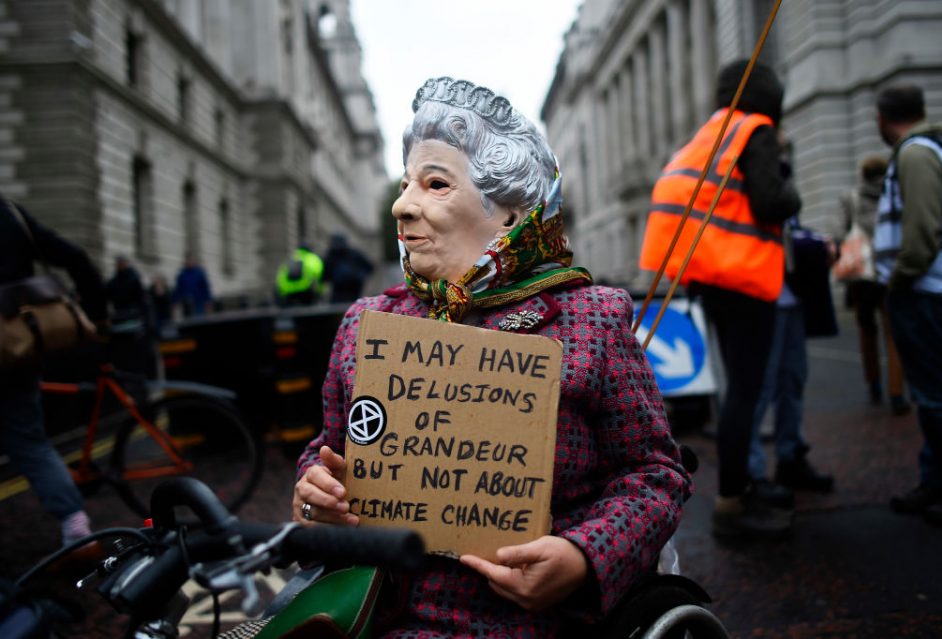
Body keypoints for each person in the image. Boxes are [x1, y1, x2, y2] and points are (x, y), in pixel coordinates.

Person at [292, 77, 691, 636]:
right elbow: (329, 449)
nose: (401, 205)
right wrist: (316, 492)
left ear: (508, 213)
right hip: (378, 612)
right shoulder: (367, 323)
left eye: (435, 184)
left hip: (535, 623)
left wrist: (582, 557)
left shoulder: (591, 318)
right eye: (407, 183)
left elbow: (653, 474)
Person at [639, 60, 800, 539]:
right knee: (745, 393)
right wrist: (793, 190)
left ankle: (744, 486)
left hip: (711, 278)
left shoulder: (714, 132)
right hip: (745, 279)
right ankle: (733, 504)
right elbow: (772, 202)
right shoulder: (757, 131)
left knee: (738, 389)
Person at [873, 85, 942, 524]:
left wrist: (900, 279)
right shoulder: (927, 149)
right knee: (934, 395)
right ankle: (937, 481)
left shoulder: (915, 154)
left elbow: (922, 231)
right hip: (934, 290)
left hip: (928, 292)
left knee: (941, 396)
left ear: (883, 117)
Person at [0, 196, 107, 546]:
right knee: (30, 442)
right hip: (19, 345)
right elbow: (75, 258)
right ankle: (74, 524)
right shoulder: (9, 212)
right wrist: (98, 316)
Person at [748, 217, 836, 497]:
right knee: (758, 389)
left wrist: (812, 242)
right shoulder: (742, 176)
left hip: (788, 294)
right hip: (760, 293)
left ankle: (790, 458)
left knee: (791, 380)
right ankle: (752, 475)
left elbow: (786, 225)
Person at [838, 155, 910, 414]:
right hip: (889, 270)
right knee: (893, 333)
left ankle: (873, 382)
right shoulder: (895, 194)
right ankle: (897, 392)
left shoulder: (851, 198)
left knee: (866, 329)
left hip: (861, 276)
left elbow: (839, 233)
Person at [105, 255, 155, 376]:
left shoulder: (134, 279)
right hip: (121, 319)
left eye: (122, 263)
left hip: (133, 319)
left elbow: (142, 301)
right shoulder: (115, 281)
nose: (120, 265)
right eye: (118, 263)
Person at [323, 233, 374, 303]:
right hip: (338, 291)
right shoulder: (331, 256)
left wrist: (360, 276)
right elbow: (325, 275)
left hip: (353, 289)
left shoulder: (354, 254)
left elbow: (369, 267)